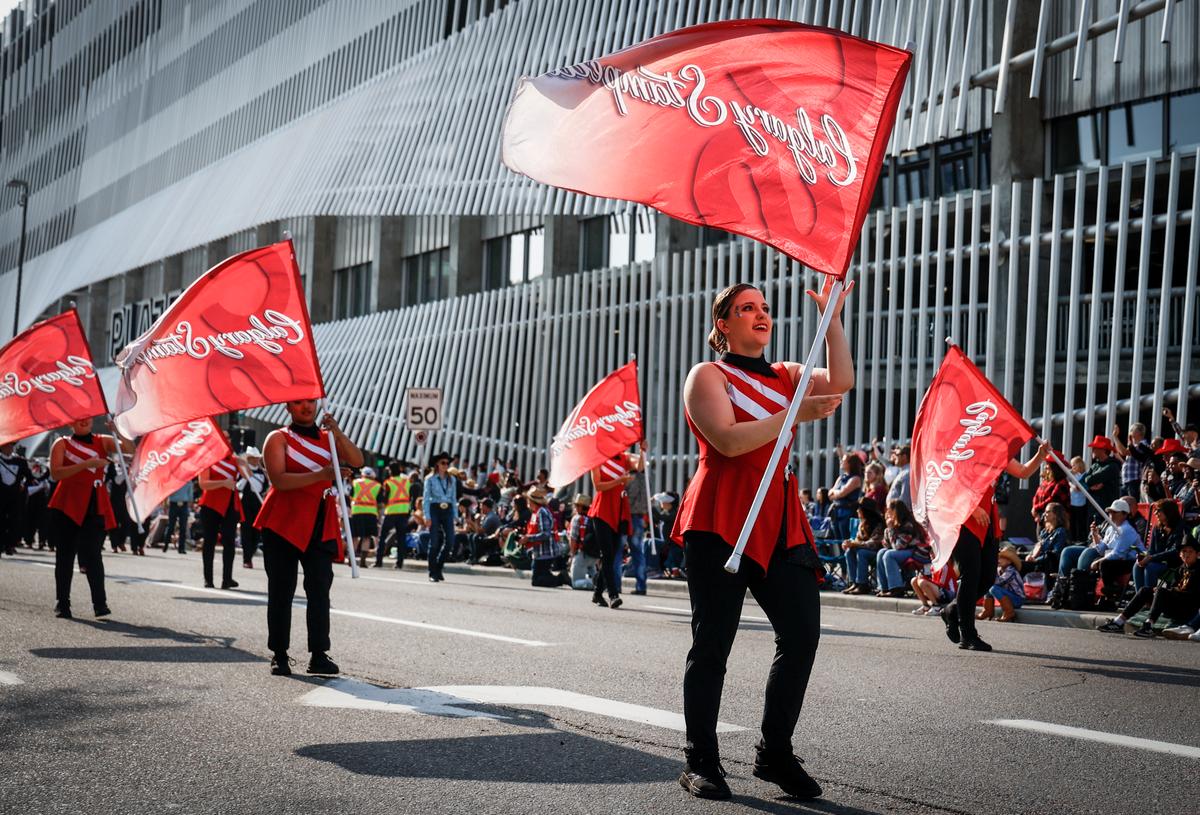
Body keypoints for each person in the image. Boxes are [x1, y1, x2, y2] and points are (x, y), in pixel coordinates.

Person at [673, 279, 851, 801]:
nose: (760, 314)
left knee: (801, 636)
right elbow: (727, 442)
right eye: (746, 308)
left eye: (765, 308)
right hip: (720, 517)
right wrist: (794, 413)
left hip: (778, 517)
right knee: (712, 646)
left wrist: (833, 316)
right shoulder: (707, 375)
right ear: (723, 324)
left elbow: (841, 379)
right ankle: (700, 760)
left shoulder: (789, 375)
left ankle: (774, 754)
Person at [255, 400, 363, 676]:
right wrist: (322, 475)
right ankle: (279, 654)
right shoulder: (277, 437)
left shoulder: (328, 438)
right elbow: (279, 480)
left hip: (319, 521)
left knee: (319, 590)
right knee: (281, 590)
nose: (306, 407)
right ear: (288, 407)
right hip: (283, 522)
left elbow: (357, 460)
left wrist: (337, 432)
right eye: (299, 403)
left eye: (310, 401)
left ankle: (319, 654)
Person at [940, 441, 1050, 652]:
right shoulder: (963, 449)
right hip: (965, 519)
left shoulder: (997, 452)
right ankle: (968, 635)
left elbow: (1024, 472)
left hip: (989, 519)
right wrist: (971, 508)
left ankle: (952, 610)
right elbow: (950, 484)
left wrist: (1039, 455)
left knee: (988, 577)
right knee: (970, 576)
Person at [47, 417, 131, 619]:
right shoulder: (62, 443)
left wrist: (118, 431)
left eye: (87, 418)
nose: (84, 421)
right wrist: (87, 464)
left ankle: (100, 604)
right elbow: (56, 473)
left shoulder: (103, 440)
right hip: (67, 504)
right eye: (79, 419)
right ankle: (63, 604)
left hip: (94, 504)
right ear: (71, 423)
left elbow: (131, 450)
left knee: (93, 555)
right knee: (65, 556)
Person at [1098, 535, 1199, 637]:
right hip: (1176, 605)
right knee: (1145, 590)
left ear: (1197, 554)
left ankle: (1149, 626)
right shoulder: (1180, 569)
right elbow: (1173, 587)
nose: (1186, 554)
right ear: (1180, 554)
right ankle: (1119, 622)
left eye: (1190, 552)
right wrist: (1159, 591)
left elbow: (1192, 594)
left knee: (1161, 591)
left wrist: (1166, 591)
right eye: (1184, 551)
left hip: (1189, 608)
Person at [588, 451, 635, 610]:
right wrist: (620, 480)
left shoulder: (624, 457)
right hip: (601, 512)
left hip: (618, 513)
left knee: (611, 556)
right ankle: (613, 595)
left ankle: (597, 592)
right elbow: (598, 485)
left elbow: (640, 466)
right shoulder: (597, 459)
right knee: (607, 554)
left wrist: (643, 450)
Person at [197, 448, 245, 589]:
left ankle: (227, 579)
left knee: (229, 542)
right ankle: (208, 579)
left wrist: (244, 463)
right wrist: (223, 483)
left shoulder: (234, 460)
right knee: (209, 541)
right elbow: (203, 483)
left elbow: (248, 477)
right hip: (211, 505)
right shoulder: (208, 459)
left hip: (230, 505)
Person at [1134, 499, 1190, 592]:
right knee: (1138, 565)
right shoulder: (1157, 528)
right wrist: (1144, 557)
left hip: (1174, 564)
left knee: (1150, 567)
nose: (1155, 513)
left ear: (1169, 512)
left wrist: (1151, 558)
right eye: (1155, 510)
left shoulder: (1182, 528)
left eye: (1159, 510)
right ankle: (1140, 598)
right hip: (1158, 561)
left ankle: (1149, 600)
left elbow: (1176, 551)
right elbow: (1151, 550)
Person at [875, 500, 928, 597]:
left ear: (896, 511)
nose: (887, 512)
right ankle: (884, 587)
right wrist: (888, 530)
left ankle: (896, 588)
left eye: (889, 510)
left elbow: (899, 546)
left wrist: (891, 529)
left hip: (917, 551)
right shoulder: (895, 524)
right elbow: (886, 545)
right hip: (906, 550)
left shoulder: (908, 525)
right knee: (881, 552)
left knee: (889, 555)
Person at [422, 453, 458, 582]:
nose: (446, 465)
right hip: (434, 508)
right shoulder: (430, 479)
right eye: (443, 463)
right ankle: (432, 572)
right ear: (437, 464)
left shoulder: (452, 479)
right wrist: (427, 516)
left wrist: (455, 515)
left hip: (447, 509)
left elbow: (454, 498)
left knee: (450, 541)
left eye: (447, 463)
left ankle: (438, 567)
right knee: (435, 542)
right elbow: (425, 499)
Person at [840, 498, 884, 595]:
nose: (857, 511)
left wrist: (855, 544)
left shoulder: (879, 524)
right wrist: (849, 543)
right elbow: (858, 540)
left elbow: (874, 543)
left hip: (877, 552)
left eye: (859, 509)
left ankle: (863, 584)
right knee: (849, 552)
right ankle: (854, 582)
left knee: (861, 553)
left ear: (866, 511)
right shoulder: (862, 524)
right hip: (865, 550)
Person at [523, 489, 566, 587]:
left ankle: (561, 578)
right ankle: (557, 577)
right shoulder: (536, 512)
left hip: (545, 552)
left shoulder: (542, 512)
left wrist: (528, 538)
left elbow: (545, 534)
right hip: (538, 552)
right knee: (540, 577)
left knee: (537, 581)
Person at [0, 442, 32, 556]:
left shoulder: (20, 461)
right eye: (6, 446)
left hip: (15, 497)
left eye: (11, 446)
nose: (9, 448)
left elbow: (30, 477)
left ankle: (10, 545)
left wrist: (24, 484)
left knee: (13, 521)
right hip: (1, 496)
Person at [378, 461, 411, 568]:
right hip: (403, 512)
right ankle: (399, 563)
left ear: (390, 471)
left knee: (382, 537)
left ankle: (379, 561)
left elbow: (385, 499)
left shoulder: (388, 482)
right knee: (401, 538)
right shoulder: (406, 481)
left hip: (391, 512)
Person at [978, 544, 1024, 623]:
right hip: (1008, 598)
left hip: (1017, 599)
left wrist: (990, 576)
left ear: (1009, 561)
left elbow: (1000, 582)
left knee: (993, 588)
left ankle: (1009, 612)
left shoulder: (1011, 571)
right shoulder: (998, 569)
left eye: (1003, 558)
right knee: (988, 586)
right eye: (999, 557)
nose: (999, 559)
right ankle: (988, 611)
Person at [238, 447, 267, 568]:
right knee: (246, 531)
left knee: (257, 531)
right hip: (245, 503)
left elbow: (262, 488)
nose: (255, 460)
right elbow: (238, 486)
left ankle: (252, 550)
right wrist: (246, 476)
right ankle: (247, 558)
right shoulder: (242, 471)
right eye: (252, 458)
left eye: (256, 458)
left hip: (258, 503)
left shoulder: (262, 473)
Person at [1083, 436, 1122, 523]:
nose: (1092, 450)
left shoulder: (1112, 466)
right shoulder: (1095, 465)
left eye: (1095, 448)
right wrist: (1091, 487)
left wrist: (1090, 483)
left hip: (1105, 509)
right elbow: (1083, 481)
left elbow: (1089, 480)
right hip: (1093, 507)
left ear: (1103, 449)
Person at [1112, 423, 1155, 499]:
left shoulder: (1142, 444)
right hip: (1127, 480)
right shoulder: (1134, 445)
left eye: (1132, 430)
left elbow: (1123, 452)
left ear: (1139, 432)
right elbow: (1124, 455)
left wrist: (1115, 437)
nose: (1130, 432)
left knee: (1131, 504)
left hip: (1134, 481)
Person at [349, 467, 381, 568]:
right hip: (370, 513)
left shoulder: (356, 482)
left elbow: (351, 496)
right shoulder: (377, 485)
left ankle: (351, 560)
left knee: (354, 537)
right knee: (366, 537)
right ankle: (362, 562)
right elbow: (380, 503)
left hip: (357, 512)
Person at [1025, 502, 1068, 575]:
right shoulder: (1044, 532)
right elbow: (1037, 548)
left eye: (1047, 512)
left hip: (1045, 567)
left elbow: (1054, 554)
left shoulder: (1060, 532)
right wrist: (1030, 555)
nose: (1044, 514)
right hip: (1036, 562)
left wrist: (1036, 560)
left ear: (1055, 515)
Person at [827, 453, 863, 542]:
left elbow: (842, 493)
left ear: (850, 463)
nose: (841, 461)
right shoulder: (841, 477)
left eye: (843, 460)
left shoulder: (855, 479)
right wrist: (837, 492)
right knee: (837, 539)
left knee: (845, 538)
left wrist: (835, 492)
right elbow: (830, 494)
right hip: (836, 512)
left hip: (847, 512)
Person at [164, 480, 194, 553]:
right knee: (171, 526)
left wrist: (190, 506)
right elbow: (167, 492)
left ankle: (181, 548)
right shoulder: (174, 481)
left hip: (184, 505)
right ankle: (166, 545)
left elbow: (190, 496)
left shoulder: (189, 482)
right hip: (174, 504)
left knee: (183, 527)